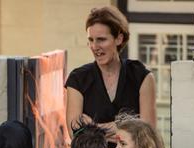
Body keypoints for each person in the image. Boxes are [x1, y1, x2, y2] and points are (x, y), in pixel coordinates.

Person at [65, 5, 156, 138]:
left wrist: (93, 127)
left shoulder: (142, 77)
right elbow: (77, 137)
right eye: (91, 40)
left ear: (119, 39)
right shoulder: (77, 79)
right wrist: (130, 127)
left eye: (101, 39)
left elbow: (147, 135)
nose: (95, 47)